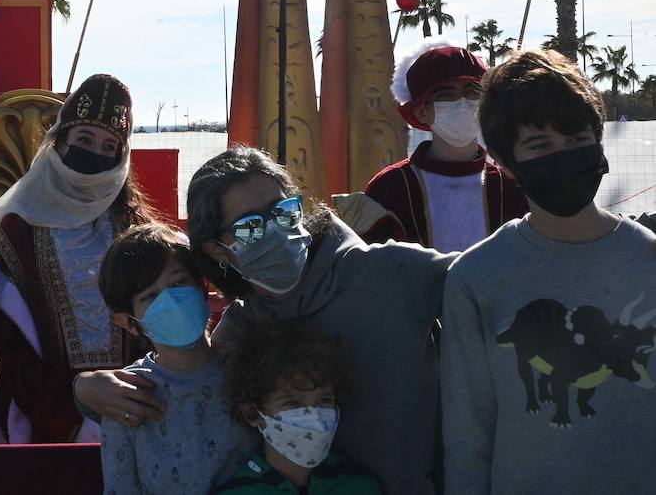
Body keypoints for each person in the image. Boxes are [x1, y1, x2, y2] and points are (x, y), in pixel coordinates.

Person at [76, 146, 452, 494]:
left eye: (283, 210)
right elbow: (192, 375)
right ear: (216, 250)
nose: (275, 229)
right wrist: (83, 389)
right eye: (250, 227)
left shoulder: (392, 273)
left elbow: (487, 282)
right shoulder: (243, 330)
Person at [441, 50, 656, 492]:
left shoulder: (649, 259)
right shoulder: (476, 277)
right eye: (540, 146)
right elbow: (468, 435)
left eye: (577, 138)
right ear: (504, 163)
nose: (564, 155)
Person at [0, 73, 155, 443]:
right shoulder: (13, 236)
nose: (96, 152)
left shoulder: (139, 232)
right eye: (85, 139)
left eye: (110, 146)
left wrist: (139, 407)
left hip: (139, 421)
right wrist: (72, 423)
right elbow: (12, 350)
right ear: (58, 144)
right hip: (42, 425)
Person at [97, 222, 255, 495]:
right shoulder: (128, 396)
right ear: (128, 322)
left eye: (179, 282)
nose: (170, 300)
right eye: (150, 296)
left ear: (203, 287)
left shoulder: (249, 369)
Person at [361, 39, 527, 250]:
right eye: (446, 95)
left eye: (471, 93)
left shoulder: (510, 185)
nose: (462, 103)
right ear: (422, 111)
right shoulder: (390, 187)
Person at [216, 320, 380, 494]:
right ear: (251, 412)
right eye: (292, 403)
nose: (314, 416)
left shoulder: (360, 487)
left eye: (324, 400)